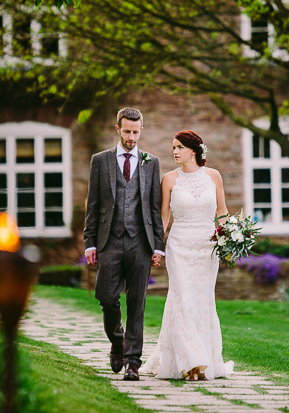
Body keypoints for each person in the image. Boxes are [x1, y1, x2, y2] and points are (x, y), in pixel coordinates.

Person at [140, 130, 234, 381]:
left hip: (207, 248)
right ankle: (191, 363)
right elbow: (163, 217)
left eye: (179, 147)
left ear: (193, 150)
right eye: (173, 147)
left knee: (202, 302)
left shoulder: (213, 176)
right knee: (182, 300)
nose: (174, 152)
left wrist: (231, 239)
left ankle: (204, 359)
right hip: (179, 247)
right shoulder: (169, 179)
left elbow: (222, 212)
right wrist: (157, 247)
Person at [83, 107, 165, 381]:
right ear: (117, 129)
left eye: (136, 131)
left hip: (140, 243)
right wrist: (89, 243)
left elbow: (155, 208)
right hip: (109, 241)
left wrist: (158, 245)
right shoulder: (100, 160)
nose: (131, 136)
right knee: (106, 298)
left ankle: (132, 362)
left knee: (137, 303)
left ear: (141, 130)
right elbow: (92, 205)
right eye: (127, 131)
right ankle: (117, 341)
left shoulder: (150, 162)